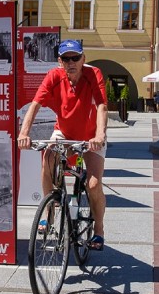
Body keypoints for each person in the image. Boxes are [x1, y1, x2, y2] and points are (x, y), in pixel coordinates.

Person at [17, 39, 109, 250]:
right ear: (60, 62)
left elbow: (102, 106)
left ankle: (99, 230)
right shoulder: (54, 76)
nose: (71, 63)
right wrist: (24, 133)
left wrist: (99, 135)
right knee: (48, 158)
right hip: (64, 132)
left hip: (91, 136)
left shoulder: (93, 74)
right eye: (66, 59)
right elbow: (35, 104)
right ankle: (49, 211)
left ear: (83, 58)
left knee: (93, 184)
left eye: (75, 58)